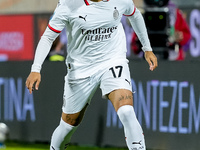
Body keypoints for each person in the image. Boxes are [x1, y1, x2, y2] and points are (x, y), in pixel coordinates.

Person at [26, 0, 158, 150]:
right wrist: (36, 69)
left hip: (112, 61)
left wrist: (147, 48)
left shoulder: (120, 1)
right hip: (81, 69)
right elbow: (48, 36)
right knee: (68, 125)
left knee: (126, 111)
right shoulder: (69, 5)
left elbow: (135, 15)